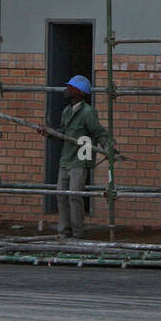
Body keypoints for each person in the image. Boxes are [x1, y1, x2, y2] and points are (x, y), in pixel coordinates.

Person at [52, 75, 113, 240]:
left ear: (78, 92)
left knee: (74, 196)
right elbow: (63, 134)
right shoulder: (67, 111)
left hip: (79, 160)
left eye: (70, 87)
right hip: (66, 160)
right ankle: (64, 231)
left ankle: (78, 233)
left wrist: (108, 148)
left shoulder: (88, 112)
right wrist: (50, 133)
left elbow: (99, 133)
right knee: (61, 196)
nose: (67, 90)